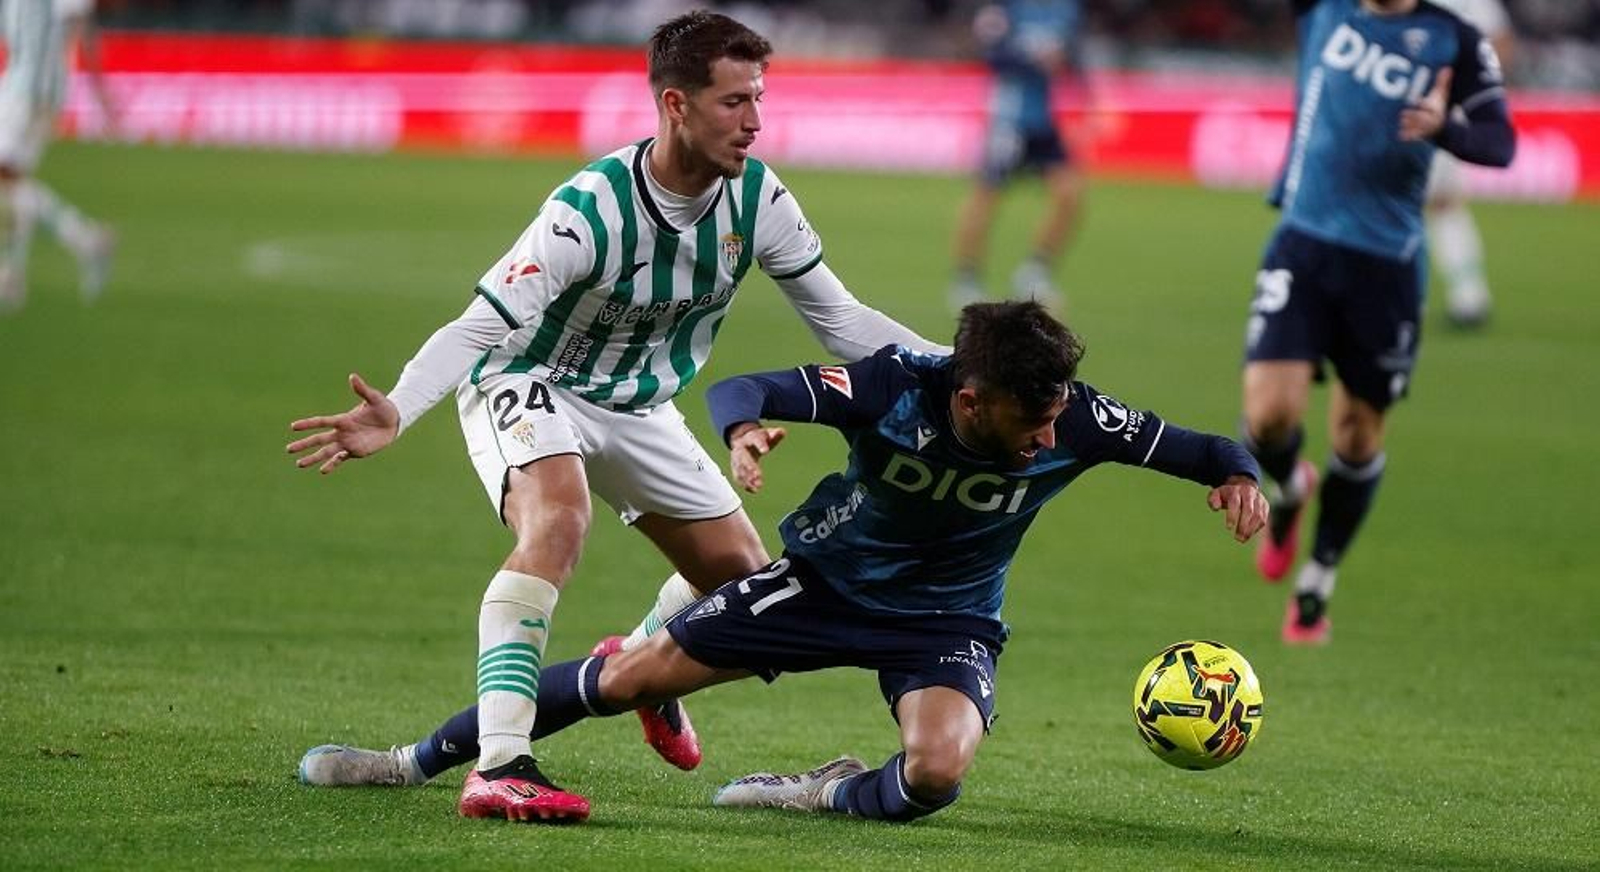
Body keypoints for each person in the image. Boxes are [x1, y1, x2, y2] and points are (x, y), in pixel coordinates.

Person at [286, 10, 945, 824]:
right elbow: (483, 323)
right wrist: (401, 409)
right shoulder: (588, 210)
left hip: (638, 401)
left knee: (750, 593)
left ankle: (637, 662)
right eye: (734, 101)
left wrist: (962, 370)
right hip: (530, 378)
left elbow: (842, 323)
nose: (755, 120)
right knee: (558, 523)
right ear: (676, 104)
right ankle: (500, 765)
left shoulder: (759, 198)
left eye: (759, 98)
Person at [304, 301, 1269, 824]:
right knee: (629, 676)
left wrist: (1236, 476)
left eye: (1059, 412)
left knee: (936, 775)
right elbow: (748, 383)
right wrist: (748, 430)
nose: (1054, 433)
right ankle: (410, 762)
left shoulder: (1073, 416)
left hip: (947, 621)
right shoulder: (897, 388)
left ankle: (821, 789)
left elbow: (1200, 446)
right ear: (972, 400)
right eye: (1035, 418)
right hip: (818, 584)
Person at [1244, 0, 1515, 644]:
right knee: (1267, 419)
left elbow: (1500, 143)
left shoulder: (1455, 39)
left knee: (1357, 435)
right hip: (1302, 245)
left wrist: (1446, 126)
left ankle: (1316, 583)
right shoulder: (1323, 10)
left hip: (1386, 268)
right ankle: (1289, 485)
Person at [949, 0, 1095, 313]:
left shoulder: (1066, 8)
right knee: (986, 198)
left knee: (1070, 195)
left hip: (1043, 121)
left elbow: (1073, 54)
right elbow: (991, 55)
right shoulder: (1005, 7)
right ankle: (966, 280)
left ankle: (1034, 272)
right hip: (1008, 120)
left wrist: (1077, 78)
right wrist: (1034, 60)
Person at [0, 0, 116, 313]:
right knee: (12, 183)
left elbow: (82, 22)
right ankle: (16, 271)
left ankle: (16, 271)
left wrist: (98, 87)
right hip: (19, 87)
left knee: (7, 178)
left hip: (32, 92)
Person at [1424, 0, 1516, 328]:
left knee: (1431, 204)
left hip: (1435, 116)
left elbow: (1502, 43)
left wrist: (1476, 85)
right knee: (1442, 206)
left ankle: (1466, 295)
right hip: (1444, 115)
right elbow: (1502, 43)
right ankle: (1469, 295)